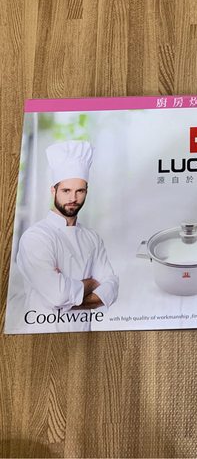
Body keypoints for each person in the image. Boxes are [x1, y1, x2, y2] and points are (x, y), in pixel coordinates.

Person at [16, 140, 119, 332]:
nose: (73, 198)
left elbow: (112, 285)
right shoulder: (36, 237)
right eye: (66, 191)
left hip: (83, 335)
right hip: (42, 337)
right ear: (53, 191)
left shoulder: (92, 238)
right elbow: (58, 295)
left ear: (86, 192)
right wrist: (92, 283)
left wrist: (67, 297)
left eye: (80, 191)